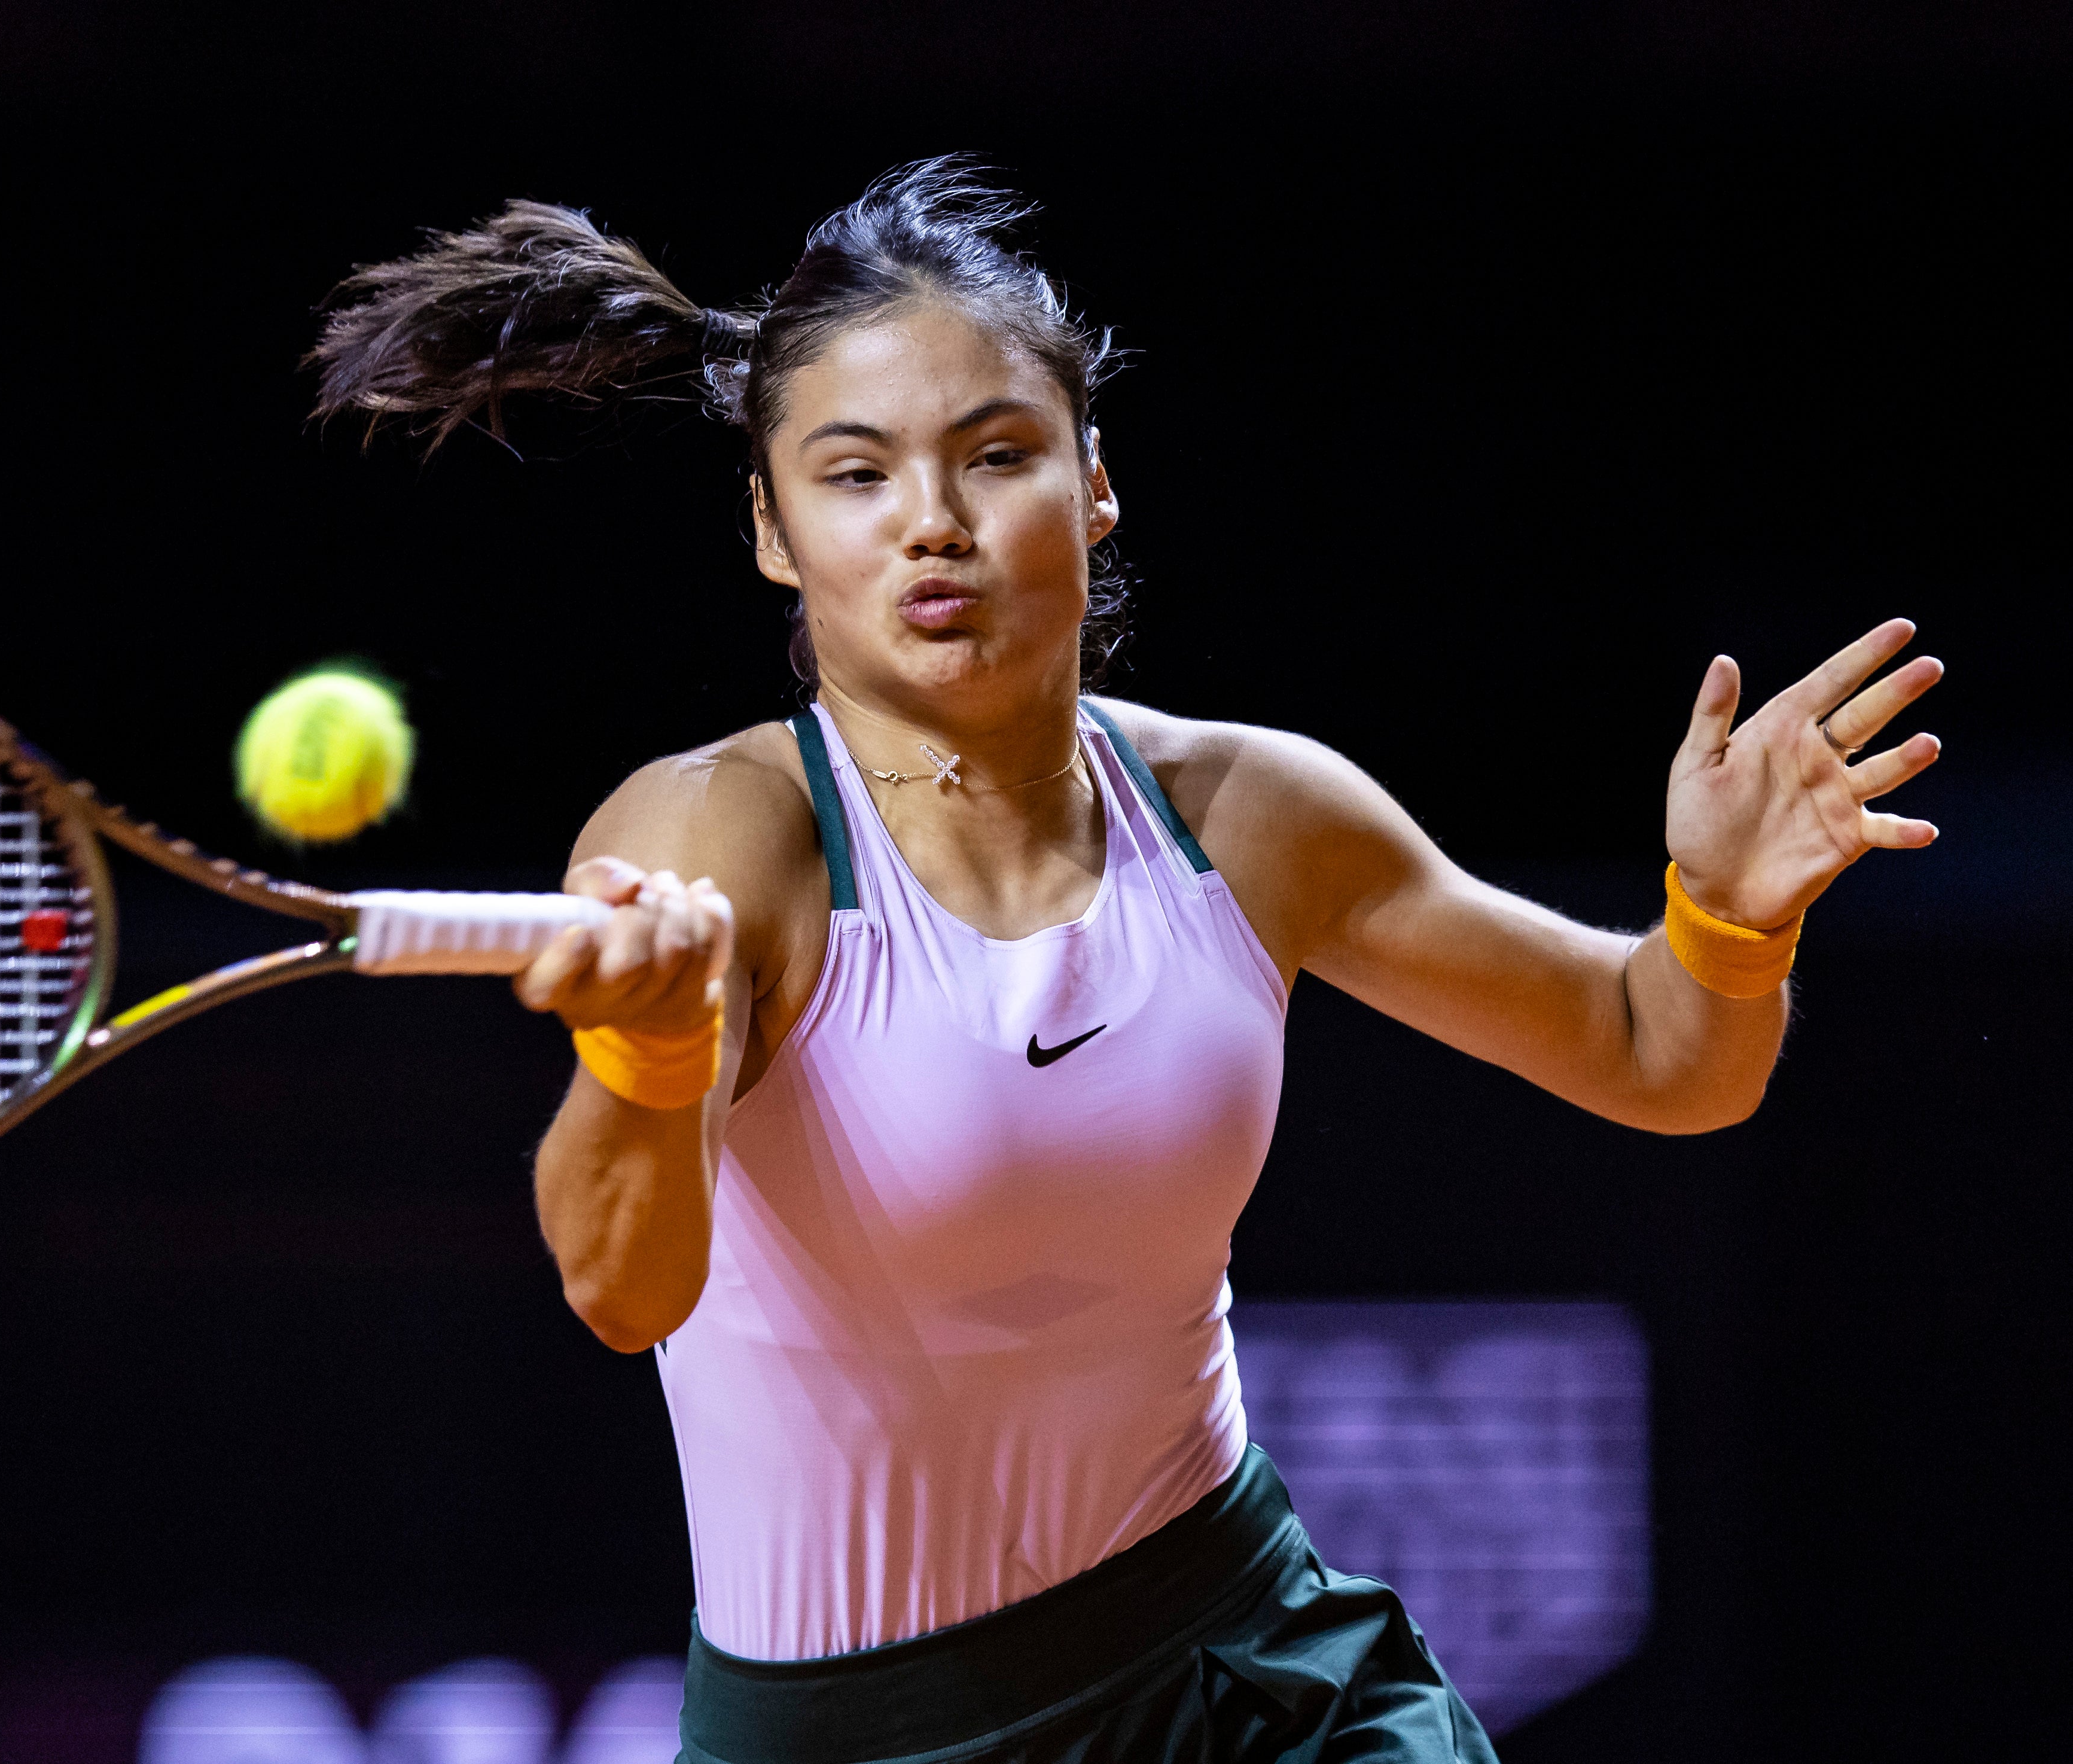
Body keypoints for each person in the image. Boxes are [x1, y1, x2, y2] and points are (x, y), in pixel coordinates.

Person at [309, 160, 1944, 1764]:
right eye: (856, 475)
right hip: (855, 1740)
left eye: (996, 455)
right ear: (773, 533)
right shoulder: (725, 832)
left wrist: (1727, 921)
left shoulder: (1258, 817)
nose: (933, 526)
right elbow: (622, 1287)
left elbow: (1663, 1056)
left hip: (1241, 1671)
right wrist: (649, 1058)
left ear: (1094, 484)